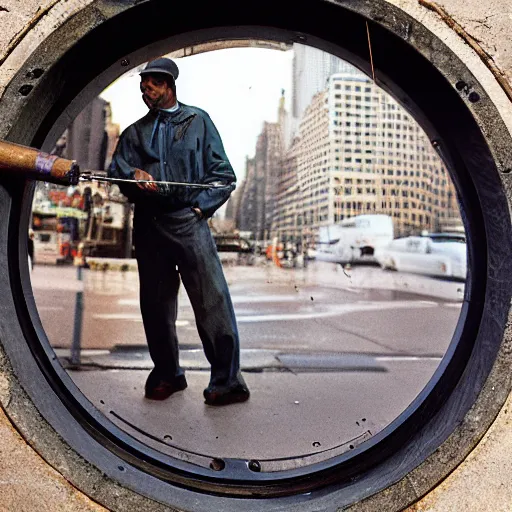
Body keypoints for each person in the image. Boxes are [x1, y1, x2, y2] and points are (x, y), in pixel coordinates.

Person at [108, 57, 250, 406]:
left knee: (211, 300)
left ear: (169, 84)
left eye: (152, 84)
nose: (146, 90)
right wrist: (134, 178)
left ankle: (227, 380)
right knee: (155, 305)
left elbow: (223, 175)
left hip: (189, 221)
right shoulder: (133, 133)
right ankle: (168, 373)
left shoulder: (199, 121)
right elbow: (117, 171)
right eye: (142, 86)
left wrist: (199, 208)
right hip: (149, 224)